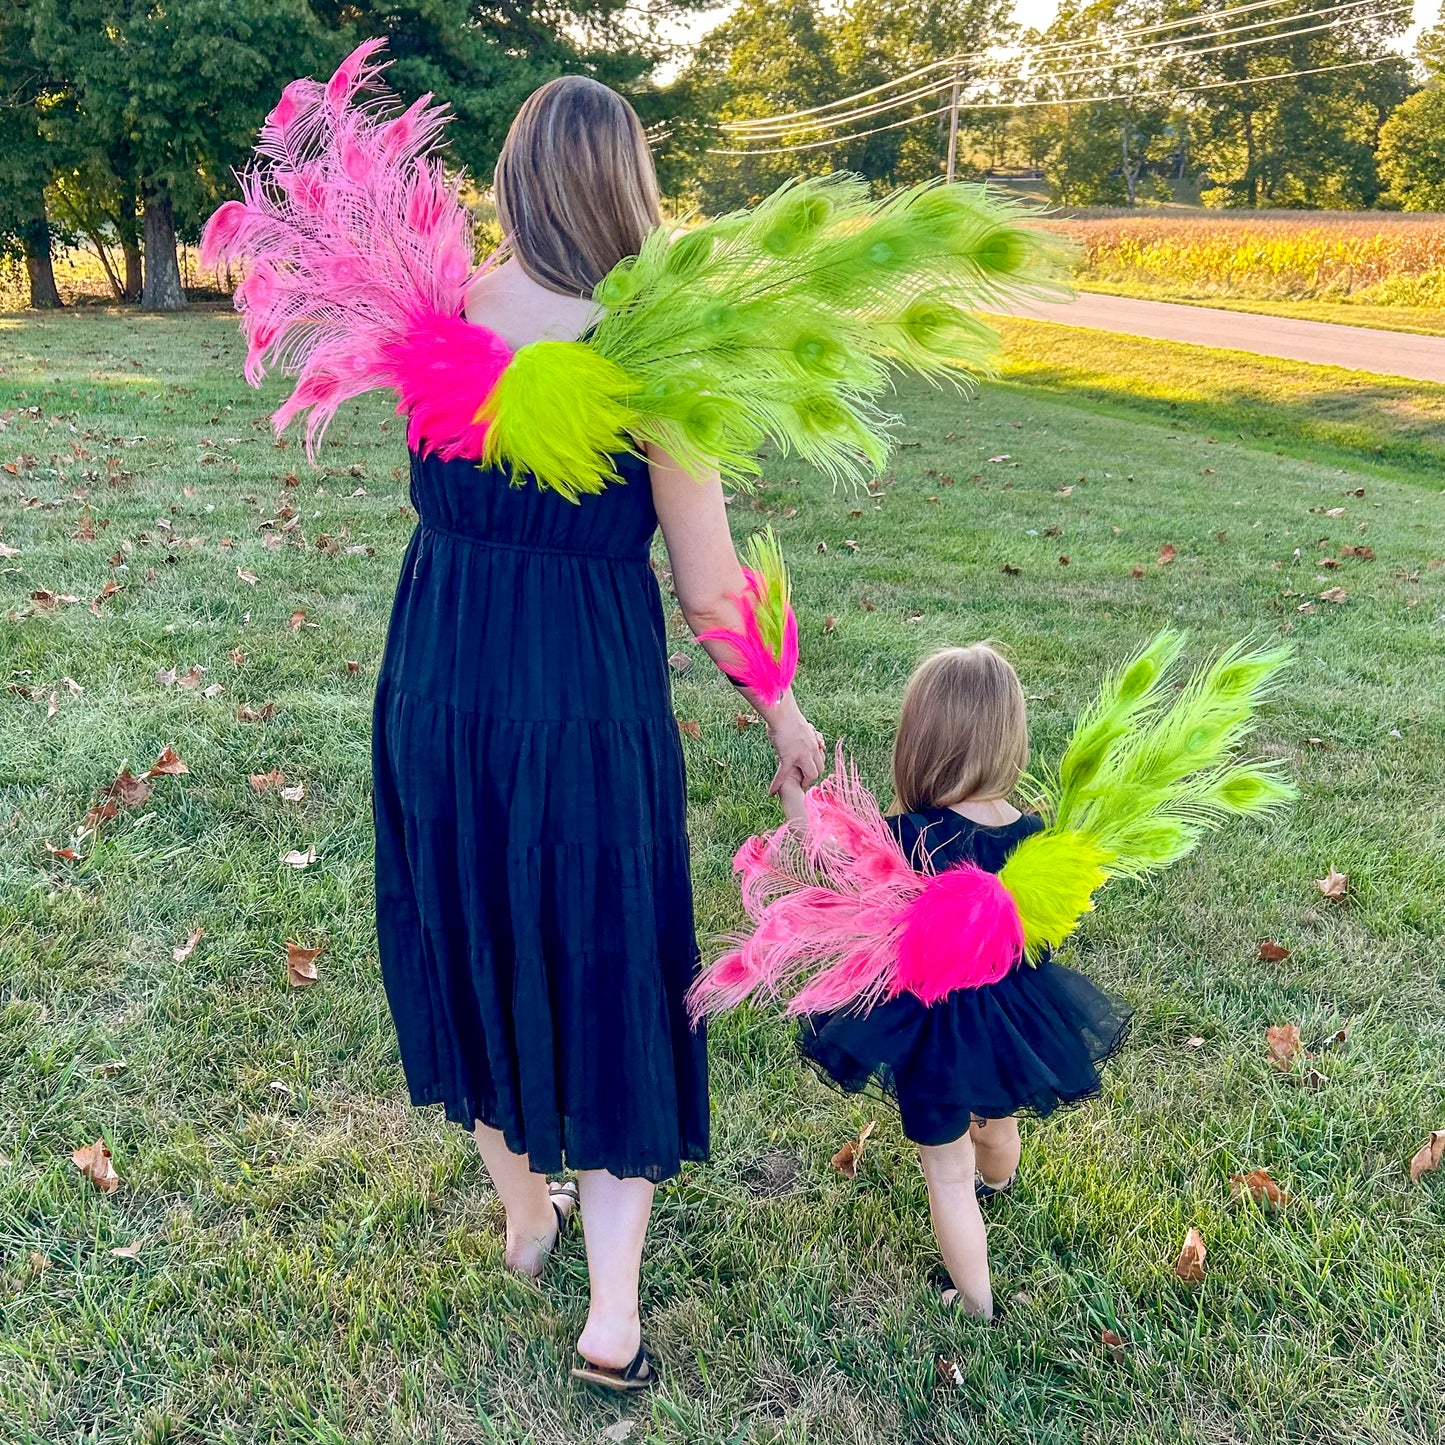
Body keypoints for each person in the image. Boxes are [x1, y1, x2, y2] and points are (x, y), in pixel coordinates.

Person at [371, 75, 825, 1391]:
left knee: (465, 922)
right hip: (582, 704)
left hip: (437, 681)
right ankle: (609, 1318)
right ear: (628, 189)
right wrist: (783, 712)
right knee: (607, 960)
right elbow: (706, 587)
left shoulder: (438, 317)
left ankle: (526, 1219)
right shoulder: (655, 357)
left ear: (512, 182)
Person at [782, 644, 1131, 1319]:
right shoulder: (1036, 837)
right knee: (995, 1124)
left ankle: (974, 1301)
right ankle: (998, 1181)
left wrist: (796, 791)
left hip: (931, 1025)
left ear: (920, 743)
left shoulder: (909, 836)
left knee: (945, 1172)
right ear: (1009, 740)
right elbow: (1045, 925)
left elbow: (827, 853)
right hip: (1009, 1019)